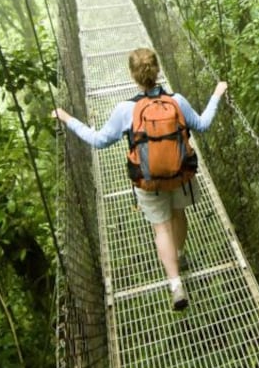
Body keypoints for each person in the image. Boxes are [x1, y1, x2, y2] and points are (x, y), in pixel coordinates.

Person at [52, 48, 227, 311]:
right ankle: (179, 255)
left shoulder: (126, 110)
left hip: (148, 181)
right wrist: (216, 95)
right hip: (181, 173)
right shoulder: (177, 101)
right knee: (178, 214)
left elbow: (99, 141)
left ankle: (176, 284)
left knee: (161, 228)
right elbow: (201, 124)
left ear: (133, 76)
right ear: (157, 71)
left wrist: (67, 119)